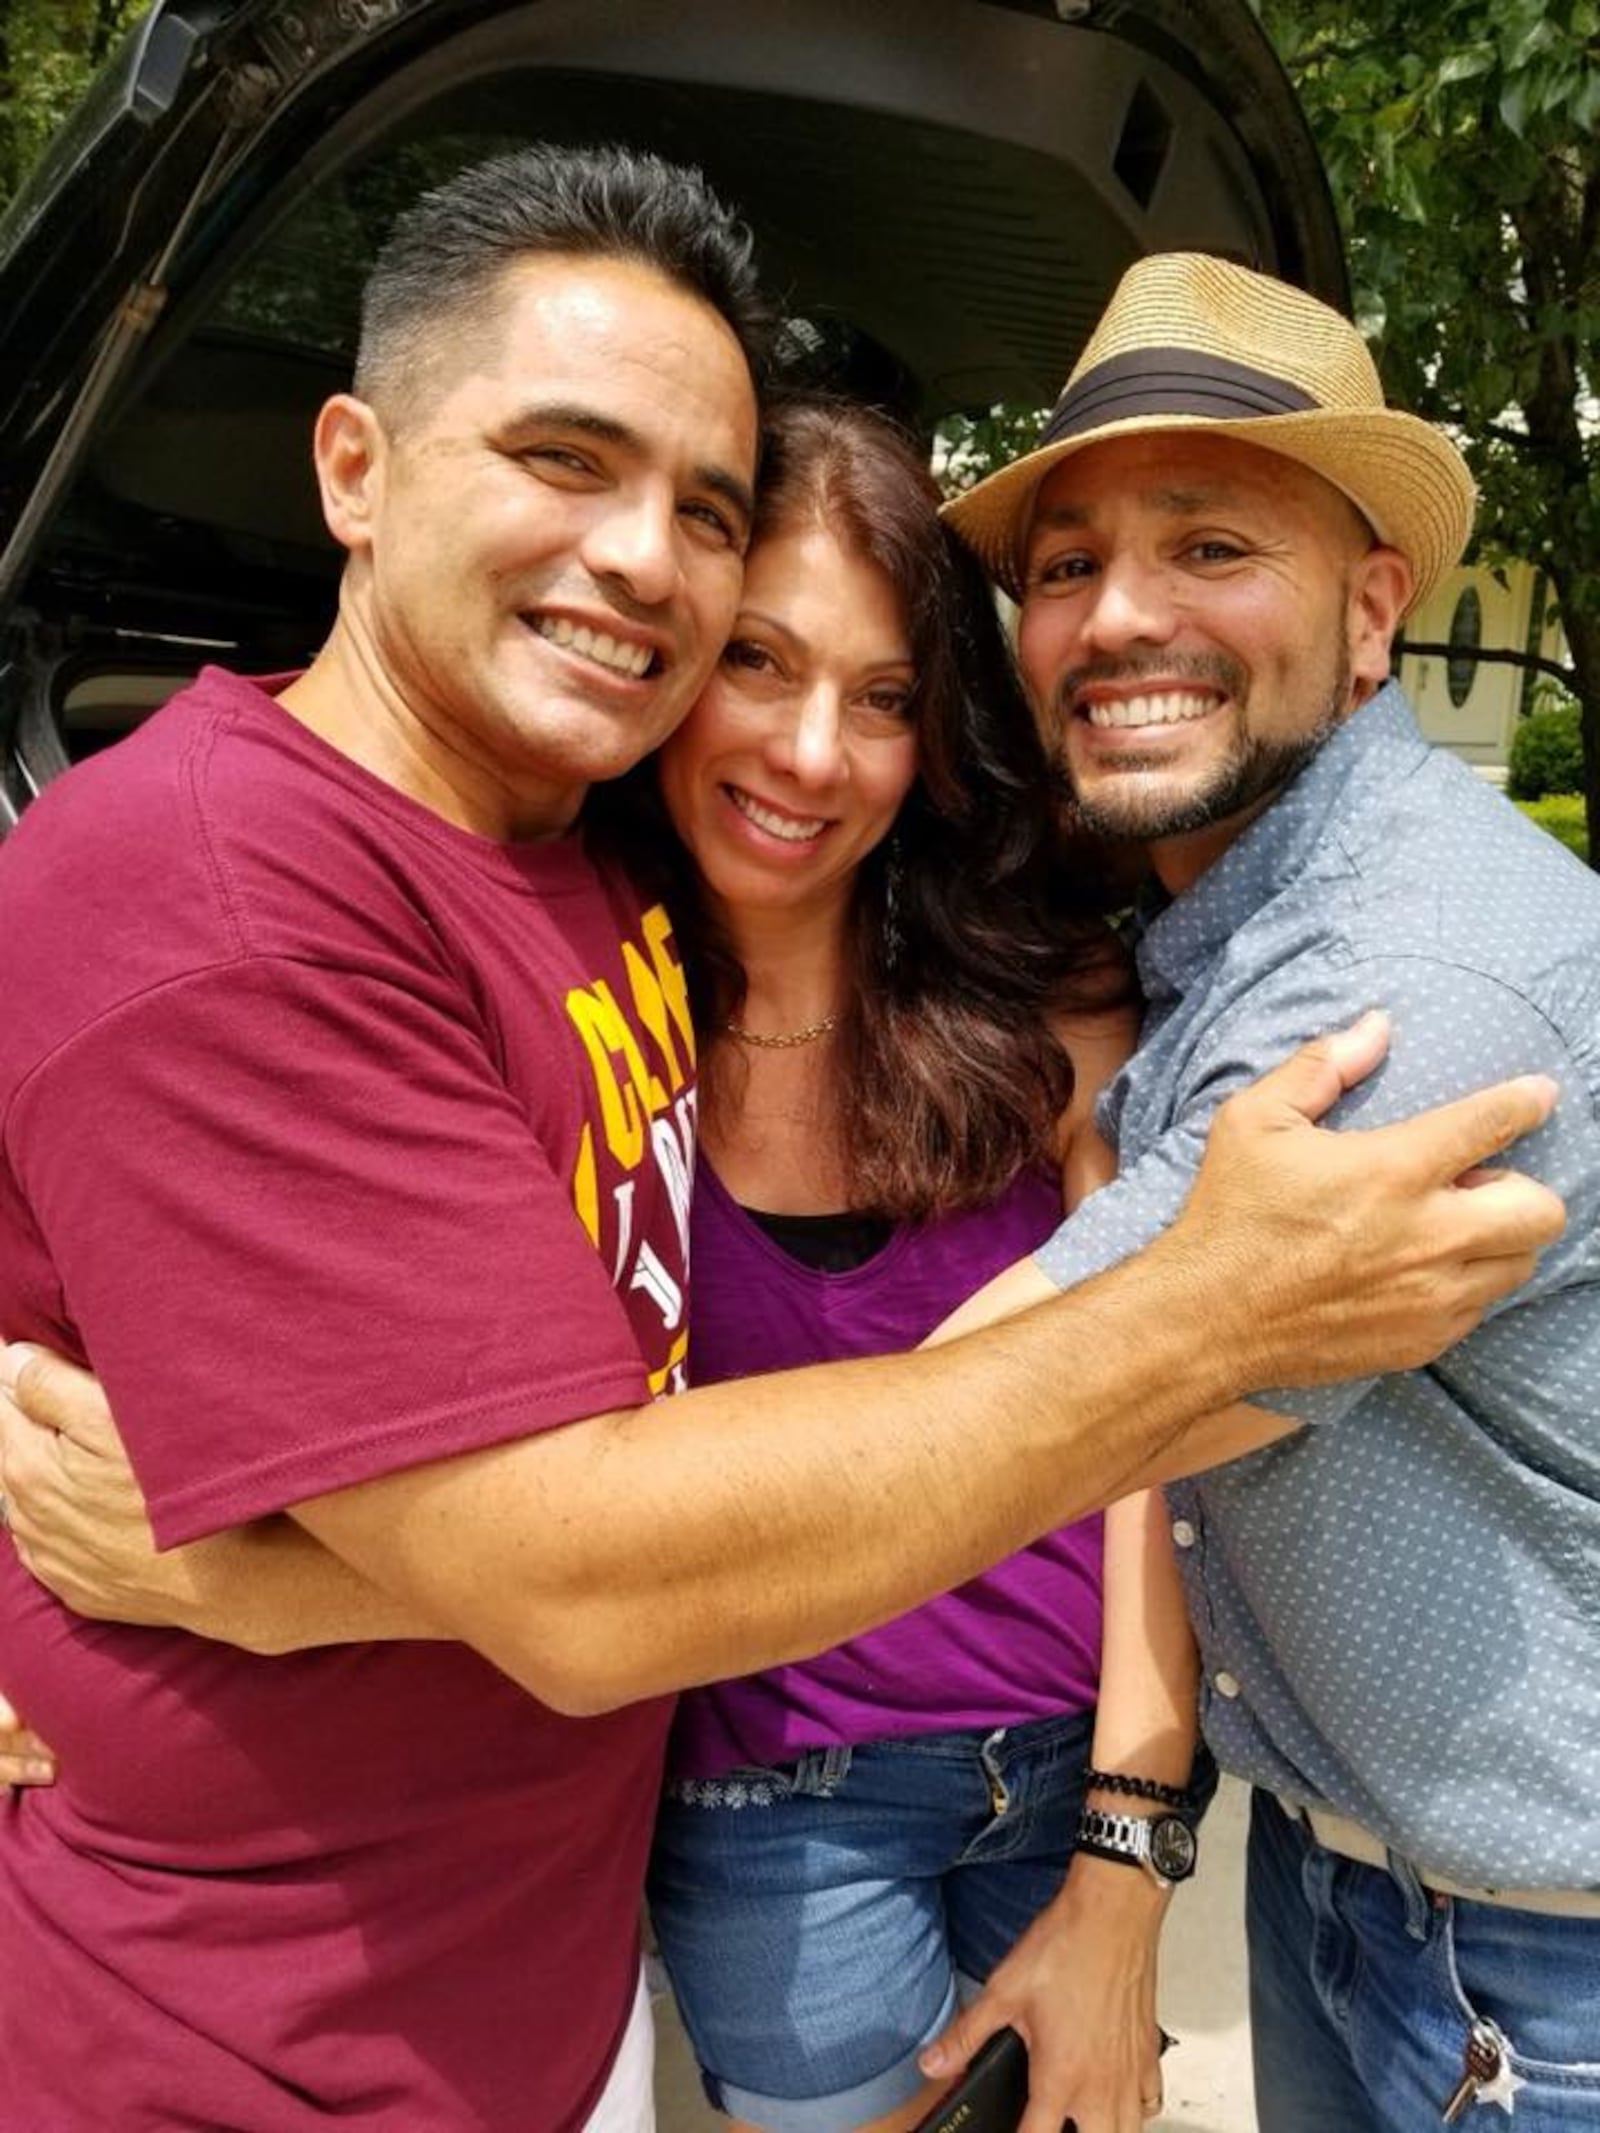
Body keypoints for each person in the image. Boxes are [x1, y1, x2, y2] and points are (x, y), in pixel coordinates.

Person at [0, 137, 1563, 2133]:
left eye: (699, 510)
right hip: (263, 2032)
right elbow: (556, 1518)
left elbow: (584, 1446)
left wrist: (299, 1567)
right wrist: (1195, 1305)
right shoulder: (271, 878)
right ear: (354, 467)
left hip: (538, 1978)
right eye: (563, 460)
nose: (643, 558)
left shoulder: (565, 883)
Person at [907, 251, 1600, 2132]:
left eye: (1213, 546)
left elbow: (960, 1439)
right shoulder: (1225, 915)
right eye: (1066, 566)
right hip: (1347, 1886)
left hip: (1541, 1985)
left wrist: (306, 1565)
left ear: (1373, 613)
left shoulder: (1406, 991)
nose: (1120, 616)